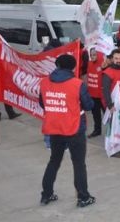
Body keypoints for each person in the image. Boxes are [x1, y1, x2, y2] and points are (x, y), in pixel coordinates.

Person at [39, 54, 95, 208]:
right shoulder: (77, 84)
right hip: (74, 128)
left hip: (54, 128)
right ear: (74, 67)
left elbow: (42, 103)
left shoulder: (44, 82)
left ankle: (46, 194)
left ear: (57, 65)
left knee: (54, 161)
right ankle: (83, 197)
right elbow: (89, 105)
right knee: (78, 164)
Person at [86, 47, 106, 138]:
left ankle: (113, 133)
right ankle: (97, 130)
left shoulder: (104, 64)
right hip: (93, 94)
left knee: (108, 115)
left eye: (94, 55)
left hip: (102, 96)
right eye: (91, 55)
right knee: (95, 114)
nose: (92, 56)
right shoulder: (89, 63)